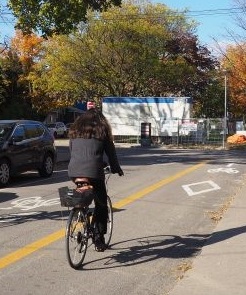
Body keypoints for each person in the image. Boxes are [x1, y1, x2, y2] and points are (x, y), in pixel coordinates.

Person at [68, 108, 124, 251]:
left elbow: (73, 151)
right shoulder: (102, 131)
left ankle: (80, 213)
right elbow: (111, 153)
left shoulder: (75, 131)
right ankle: (98, 239)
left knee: (82, 194)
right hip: (93, 171)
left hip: (74, 170)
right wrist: (116, 168)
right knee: (101, 204)